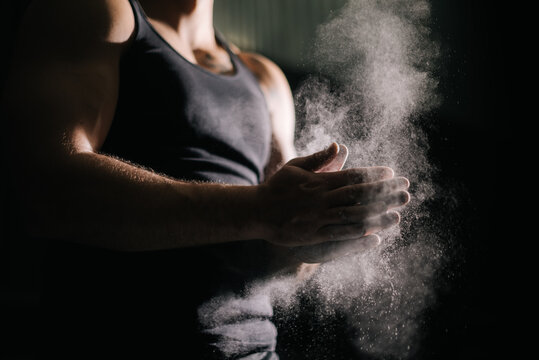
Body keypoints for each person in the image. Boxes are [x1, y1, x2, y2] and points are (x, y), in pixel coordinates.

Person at [2, 0, 410, 358]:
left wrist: (310, 239)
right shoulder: (101, 14)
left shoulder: (265, 80)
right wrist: (262, 210)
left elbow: (274, 245)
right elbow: (48, 189)